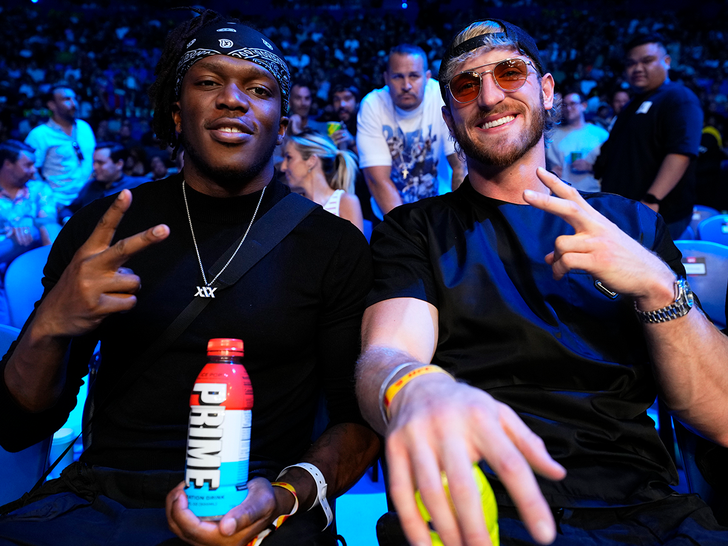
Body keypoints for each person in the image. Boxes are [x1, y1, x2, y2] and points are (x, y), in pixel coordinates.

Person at [0, 10, 379, 546]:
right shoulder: (106, 227)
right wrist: (50, 325)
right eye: (208, 82)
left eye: (258, 89)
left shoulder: (332, 245)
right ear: (177, 113)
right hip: (105, 500)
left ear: (281, 125)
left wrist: (284, 496)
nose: (233, 99)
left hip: (256, 505)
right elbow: (18, 427)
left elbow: (357, 423)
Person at [355, 19, 728, 546]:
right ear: (448, 117)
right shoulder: (416, 230)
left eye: (510, 73)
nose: (489, 96)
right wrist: (414, 387)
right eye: (465, 85)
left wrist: (657, 285)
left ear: (546, 91)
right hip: (480, 509)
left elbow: (720, 415)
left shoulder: (630, 225)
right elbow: (386, 353)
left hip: (639, 508)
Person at [597, 35, 703, 240]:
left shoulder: (679, 97)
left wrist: (652, 198)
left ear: (667, 61)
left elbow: (681, 152)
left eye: (647, 61)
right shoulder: (633, 103)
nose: (637, 68)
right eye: (631, 63)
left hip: (656, 213)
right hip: (626, 212)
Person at [357, 44, 464, 217]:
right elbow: (377, 179)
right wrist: (405, 228)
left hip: (442, 210)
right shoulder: (373, 104)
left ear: (427, 77)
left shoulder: (440, 97)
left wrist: (458, 218)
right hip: (390, 214)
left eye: (414, 76)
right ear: (386, 78)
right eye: (398, 77)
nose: (406, 85)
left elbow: (460, 164)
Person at [24, 83, 95, 210]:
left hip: (89, 199)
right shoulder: (39, 135)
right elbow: (30, 172)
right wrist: (48, 200)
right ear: (52, 105)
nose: (74, 104)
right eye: (67, 99)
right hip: (60, 202)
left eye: (74, 98)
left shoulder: (84, 127)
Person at [280, 129, 364, 233]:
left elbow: (355, 244)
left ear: (311, 161)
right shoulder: (293, 205)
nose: (283, 167)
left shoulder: (344, 202)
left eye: (289, 157)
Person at [0, 140, 60, 265]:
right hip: (4, 249)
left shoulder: (39, 189)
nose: (34, 170)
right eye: (28, 165)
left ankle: (56, 271)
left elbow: (49, 219)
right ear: (8, 164)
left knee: (45, 228)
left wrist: (31, 221)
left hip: (32, 251)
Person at [58, 142, 149, 222]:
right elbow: (69, 209)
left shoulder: (138, 185)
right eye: (94, 162)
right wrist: (67, 220)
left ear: (119, 164)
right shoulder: (90, 185)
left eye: (100, 163)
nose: (95, 167)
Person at [546, 91, 609, 192]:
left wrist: (590, 167)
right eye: (565, 105)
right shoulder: (553, 136)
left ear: (583, 106)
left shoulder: (601, 135)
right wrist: (551, 172)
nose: (568, 108)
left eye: (573, 104)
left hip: (593, 193)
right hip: (563, 193)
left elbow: (612, 166)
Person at [328, 80, 360, 153]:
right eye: (337, 100)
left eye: (347, 98)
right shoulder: (327, 123)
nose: (342, 104)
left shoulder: (366, 123)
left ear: (357, 101)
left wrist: (352, 142)